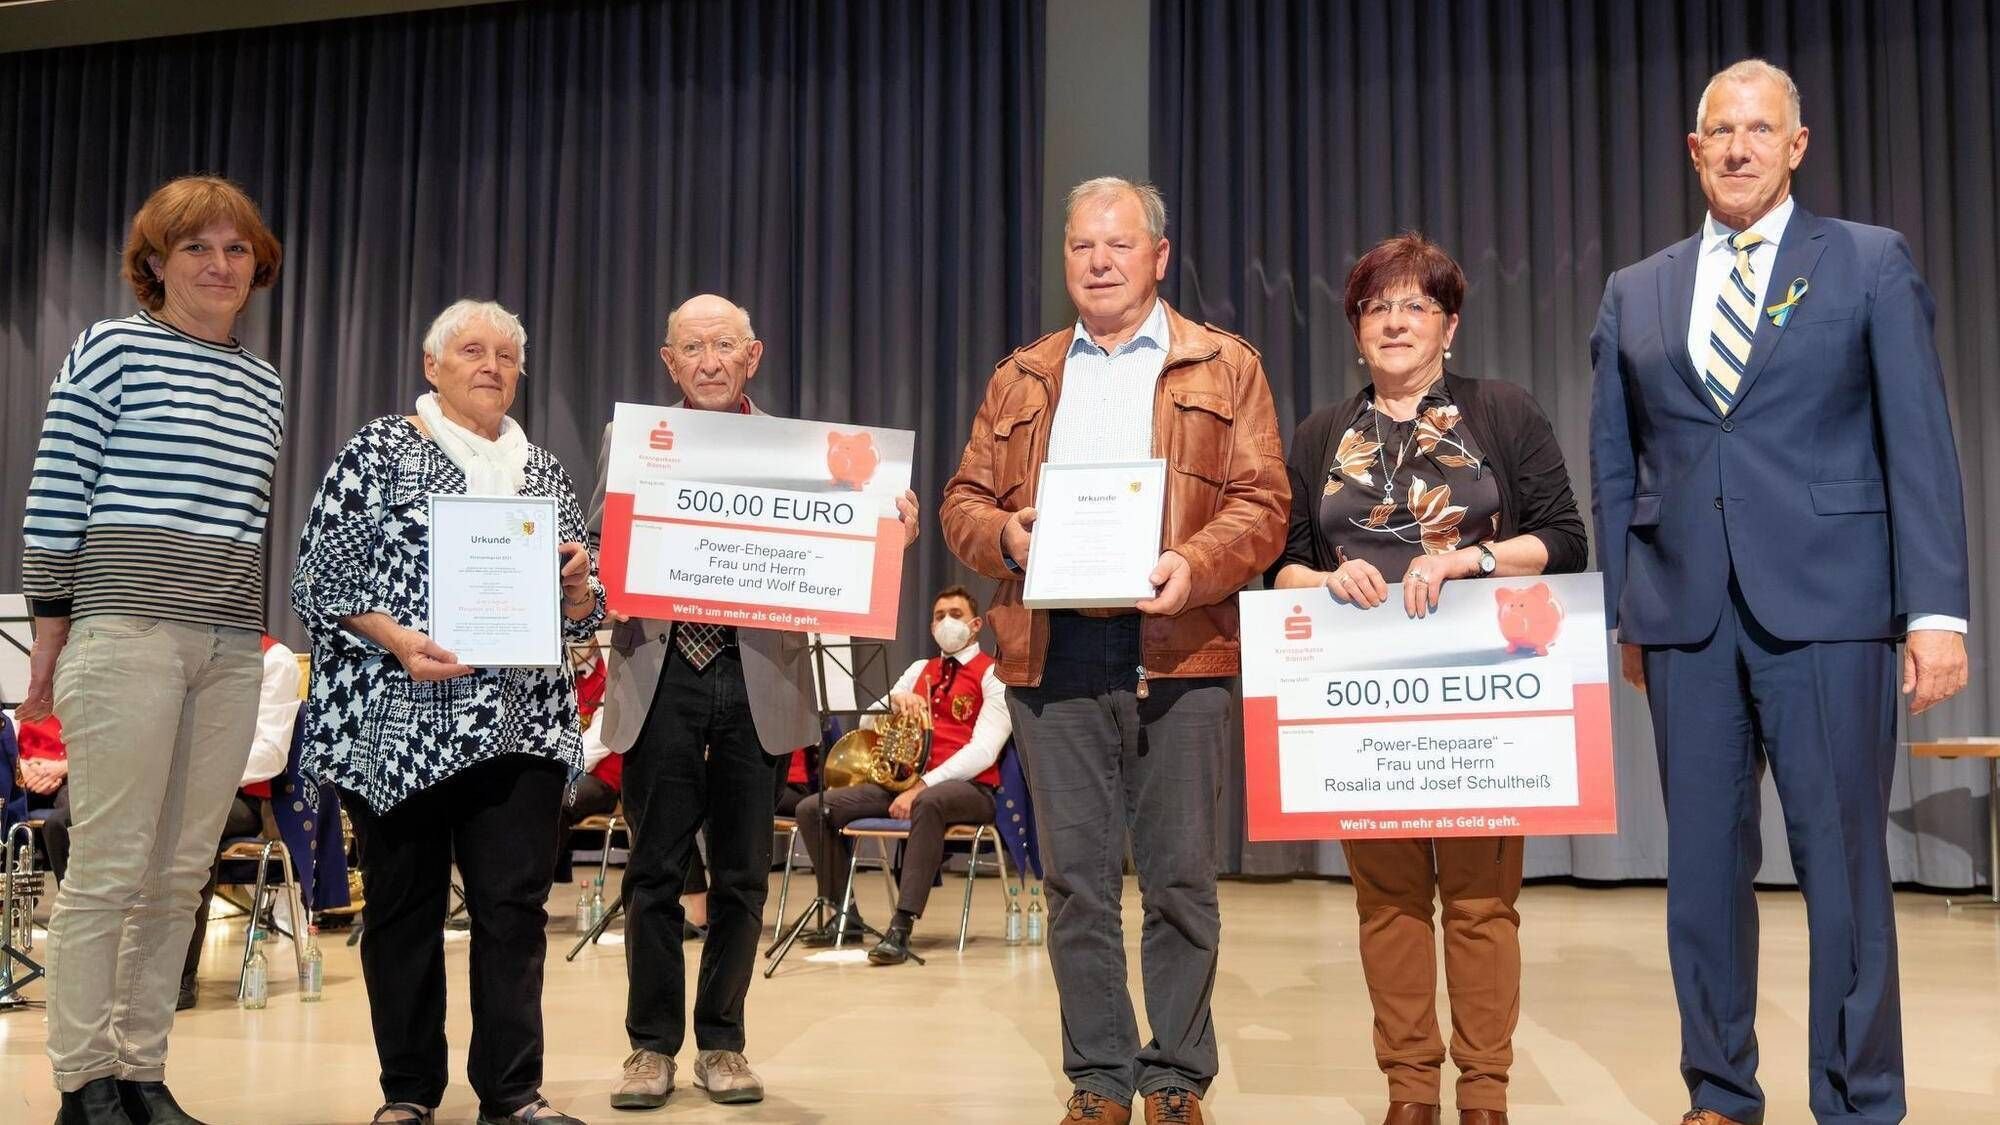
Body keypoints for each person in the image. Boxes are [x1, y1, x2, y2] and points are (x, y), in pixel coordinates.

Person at [1589, 59, 1970, 1125]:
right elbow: (1617, 465)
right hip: (1685, 619)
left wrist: (1934, 611)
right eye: (1721, 130)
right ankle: (1716, 1091)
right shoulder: (1637, 288)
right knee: (1701, 879)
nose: (1740, 147)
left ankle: (1857, 1099)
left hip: (1830, 612)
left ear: (1795, 146)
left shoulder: (1863, 263)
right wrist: (1625, 608)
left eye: (1760, 129)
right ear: (1693, 148)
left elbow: (1918, 446)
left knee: (1843, 871)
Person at [941, 177, 1288, 1125]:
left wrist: (1195, 564)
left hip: (1179, 649)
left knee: (1180, 877)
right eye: (1082, 246)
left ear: (1159, 256)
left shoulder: (1224, 366)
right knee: (1075, 884)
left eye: (1119, 245)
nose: (1099, 261)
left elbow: (1264, 506)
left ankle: (1176, 1074)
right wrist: (1011, 537)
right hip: (1051, 656)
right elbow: (961, 503)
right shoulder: (1021, 376)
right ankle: (1098, 1076)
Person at [1272, 234, 1587, 1125]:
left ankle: (1484, 1097)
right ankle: (1410, 1092)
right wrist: (1327, 578)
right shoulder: (1321, 432)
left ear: (1449, 325)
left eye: (1416, 305)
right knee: (1388, 902)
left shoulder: (1503, 411)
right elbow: (1281, 568)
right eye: (1378, 307)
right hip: (1360, 698)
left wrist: (1472, 562)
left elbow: (1565, 539)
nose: (1396, 321)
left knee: (1484, 903)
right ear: (1357, 329)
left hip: (1484, 693)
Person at [591, 294, 920, 1110]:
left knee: (742, 873)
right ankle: (649, 1047)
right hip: (659, 673)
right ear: (669, 362)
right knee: (655, 871)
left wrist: (886, 545)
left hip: (758, 678)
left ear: (753, 355)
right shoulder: (634, 440)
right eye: (692, 348)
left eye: (723, 346)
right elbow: (606, 550)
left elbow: (839, 566)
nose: (708, 360)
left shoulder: (809, 455)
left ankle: (724, 1043)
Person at [292, 299, 604, 1125]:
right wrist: (395, 636)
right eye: (472, 349)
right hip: (399, 723)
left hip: (520, 724)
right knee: (402, 911)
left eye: (507, 354)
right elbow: (318, 576)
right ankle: (409, 1092)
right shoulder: (380, 449)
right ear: (433, 367)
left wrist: (578, 588)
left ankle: (511, 1092)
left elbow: (587, 603)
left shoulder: (542, 473)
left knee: (514, 911)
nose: (492, 365)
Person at [19, 174, 284, 1125]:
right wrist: (50, 643)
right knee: (108, 866)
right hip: (123, 633)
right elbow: (56, 494)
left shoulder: (265, 381)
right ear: (156, 264)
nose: (219, 265)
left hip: (224, 642)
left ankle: (141, 1070)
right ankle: (81, 1079)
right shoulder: (109, 348)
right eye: (196, 249)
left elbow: (248, 522)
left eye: (235, 249)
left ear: (258, 265)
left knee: (181, 869)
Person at [793, 585, 1012, 965]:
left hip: (971, 790)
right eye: (939, 616)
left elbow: (984, 750)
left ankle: (901, 925)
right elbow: (867, 726)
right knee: (815, 808)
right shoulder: (917, 671)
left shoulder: (993, 673)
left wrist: (924, 784)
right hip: (905, 783)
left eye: (955, 615)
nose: (946, 622)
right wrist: (893, 702)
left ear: (976, 625)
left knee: (928, 802)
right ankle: (847, 915)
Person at [177, 635, 301, 1010]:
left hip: (242, 793)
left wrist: (201, 774)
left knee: (191, 824)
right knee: (64, 825)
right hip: (174, 784)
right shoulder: (179, 648)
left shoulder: (273, 659)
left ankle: (179, 976)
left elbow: (270, 754)